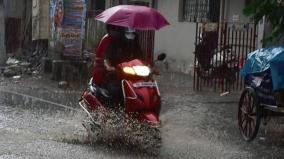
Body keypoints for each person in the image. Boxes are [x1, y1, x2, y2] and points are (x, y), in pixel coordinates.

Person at [104, 28, 143, 104]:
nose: (131, 36)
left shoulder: (136, 45)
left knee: (146, 87)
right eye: (128, 33)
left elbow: (141, 59)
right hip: (116, 75)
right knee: (116, 91)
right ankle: (115, 111)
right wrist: (109, 67)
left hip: (134, 75)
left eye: (132, 34)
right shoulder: (114, 43)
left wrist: (148, 67)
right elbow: (106, 59)